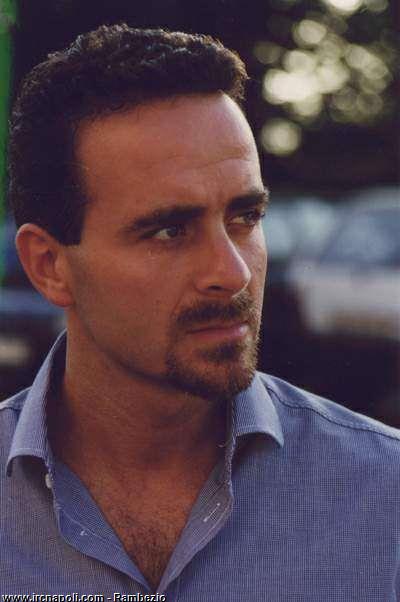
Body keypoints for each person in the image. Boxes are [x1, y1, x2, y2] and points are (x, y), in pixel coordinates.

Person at [1, 24, 399, 600]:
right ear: (49, 266)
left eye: (245, 218)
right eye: (169, 230)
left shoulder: (383, 499)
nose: (233, 273)